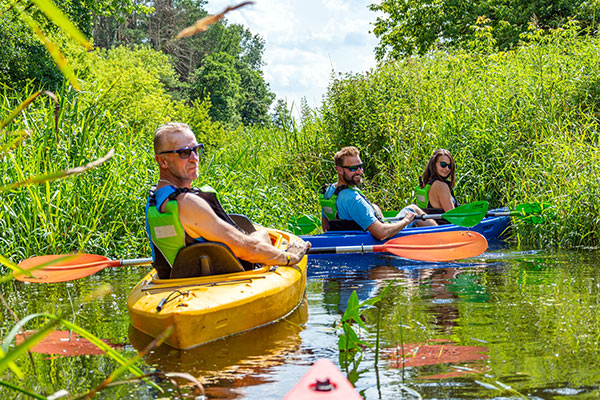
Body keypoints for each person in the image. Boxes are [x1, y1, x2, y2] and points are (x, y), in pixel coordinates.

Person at [146, 122, 310, 279]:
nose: (194, 158)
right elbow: (249, 249)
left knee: (254, 231)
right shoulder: (187, 203)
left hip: (173, 279)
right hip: (214, 281)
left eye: (196, 150)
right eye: (184, 152)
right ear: (162, 161)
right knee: (260, 234)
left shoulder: (157, 197)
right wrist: (289, 257)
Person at [320, 146, 435, 241]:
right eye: (353, 168)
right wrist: (406, 220)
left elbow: (325, 227)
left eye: (360, 166)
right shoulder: (353, 199)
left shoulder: (328, 192)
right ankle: (440, 236)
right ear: (339, 170)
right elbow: (382, 233)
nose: (359, 171)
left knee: (375, 207)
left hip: (347, 238)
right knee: (413, 210)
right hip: (380, 236)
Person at [416, 149, 460, 215]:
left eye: (450, 166)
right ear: (434, 163)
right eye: (443, 164)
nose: (447, 169)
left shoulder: (424, 184)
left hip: (427, 223)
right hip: (442, 224)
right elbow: (452, 215)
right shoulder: (441, 186)